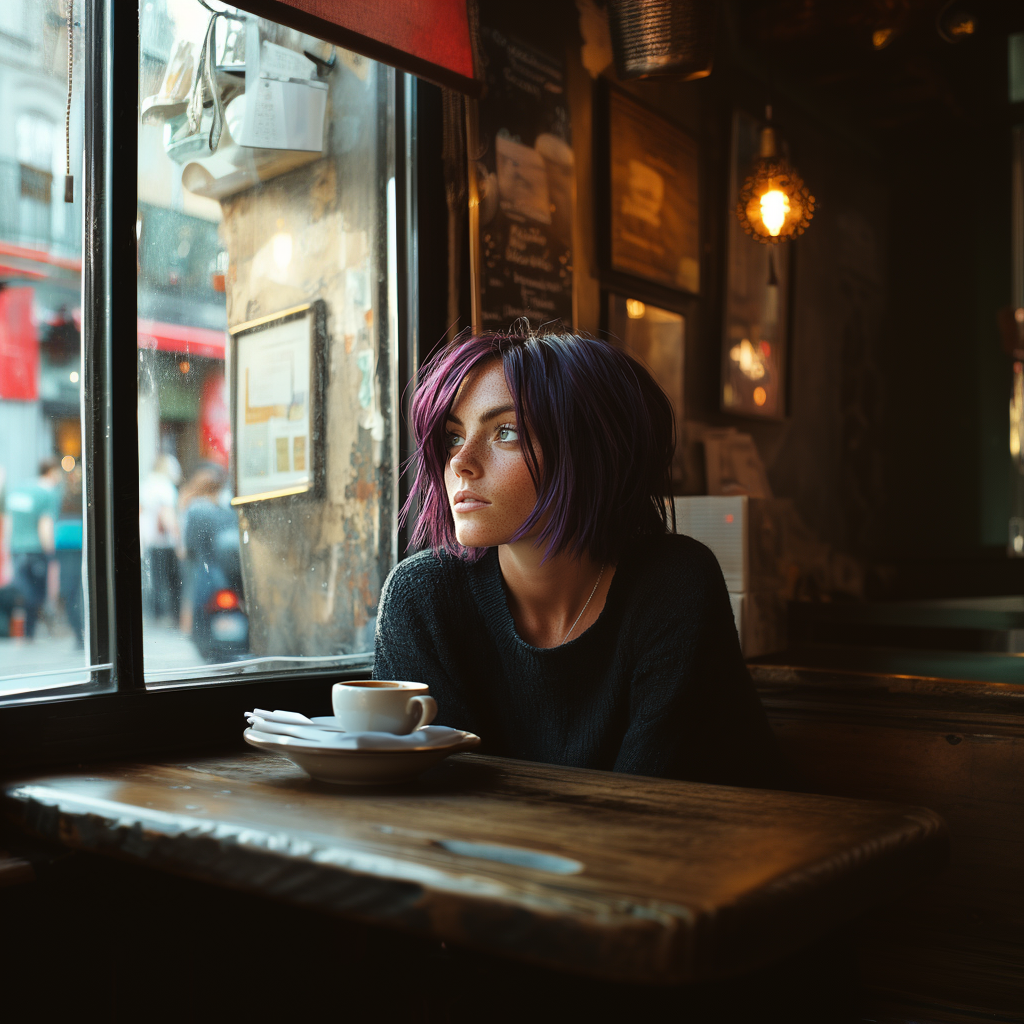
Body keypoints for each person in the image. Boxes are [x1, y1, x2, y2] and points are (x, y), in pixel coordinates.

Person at [373, 331, 788, 789]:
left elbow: (650, 803)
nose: (460, 462)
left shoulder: (674, 584)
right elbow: (429, 795)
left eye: (506, 432)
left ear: (591, 449)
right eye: (453, 436)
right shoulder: (422, 598)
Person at [5, 458, 63, 640]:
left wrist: (9, 545)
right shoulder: (48, 493)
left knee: (22, 591)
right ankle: (30, 631)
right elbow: (45, 525)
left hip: (17, 548)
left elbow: (9, 521)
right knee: (37, 593)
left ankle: (23, 631)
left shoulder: (18, 491)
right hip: (37, 549)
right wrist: (51, 552)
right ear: (52, 472)